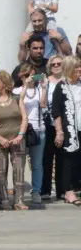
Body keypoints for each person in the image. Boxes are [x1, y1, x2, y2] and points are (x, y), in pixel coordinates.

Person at [0, 71, 29, 210]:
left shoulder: (17, 98)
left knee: (19, 170)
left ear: (4, 83)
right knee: (0, 172)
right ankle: (5, 199)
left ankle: (19, 201)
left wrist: (20, 135)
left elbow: (24, 118)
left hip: (17, 140)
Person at [13, 63, 48, 205]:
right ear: (20, 76)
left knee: (37, 164)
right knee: (18, 163)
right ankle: (18, 191)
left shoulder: (40, 90)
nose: (30, 78)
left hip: (38, 129)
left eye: (33, 75)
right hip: (22, 130)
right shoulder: (16, 91)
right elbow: (17, 105)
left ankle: (36, 191)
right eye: (27, 75)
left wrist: (44, 87)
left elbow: (44, 105)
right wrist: (26, 86)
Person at [50, 55, 81, 206]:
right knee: (69, 159)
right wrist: (59, 132)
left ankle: (76, 188)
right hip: (69, 129)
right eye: (76, 68)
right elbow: (56, 112)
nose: (79, 70)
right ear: (69, 69)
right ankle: (68, 191)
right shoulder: (61, 87)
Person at [43, 55, 65, 201]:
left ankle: (62, 190)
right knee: (46, 158)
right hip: (47, 124)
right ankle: (45, 190)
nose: (56, 66)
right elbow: (42, 104)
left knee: (63, 158)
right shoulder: (46, 82)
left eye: (59, 63)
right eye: (53, 64)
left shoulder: (68, 81)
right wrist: (44, 88)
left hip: (65, 125)